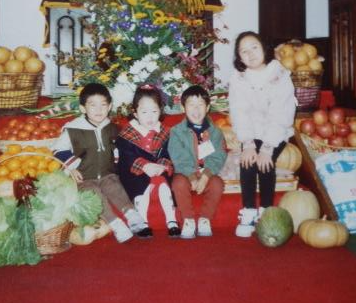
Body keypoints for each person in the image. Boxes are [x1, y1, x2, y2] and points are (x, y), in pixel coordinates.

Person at [52, 83, 149, 243]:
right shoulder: (73, 129)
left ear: (109, 106)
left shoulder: (112, 128)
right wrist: (70, 168)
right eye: (93, 105)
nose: (99, 110)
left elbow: (119, 149)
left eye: (103, 105)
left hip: (107, 173)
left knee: (115, 188)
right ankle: (115, 223)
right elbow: (57, 150)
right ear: (83, 108)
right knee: (95, 195)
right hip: (84, 177)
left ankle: (131, 214)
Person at [228, 32, 297, 238]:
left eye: (254, 47)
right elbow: (239, 112)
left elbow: (281, 114)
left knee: (265, 163)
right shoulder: (238, 78)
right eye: (244, 51)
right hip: (251, 131)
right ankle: (249, 210)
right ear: (239, 58)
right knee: (247, 161)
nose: (250, 54)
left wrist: (267, 148)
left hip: (276, 131)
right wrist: (248, 143)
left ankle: (266, 210)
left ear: (264, 48)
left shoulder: (280, 74)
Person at [116, 85, 181, 238]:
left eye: (154, 111)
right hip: (136, 173)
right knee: (141, 190)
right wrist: (144, 166)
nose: (150, 117)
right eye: (144, 112)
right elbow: (126, 156)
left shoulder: (165, 132)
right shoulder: (127, 133)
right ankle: (143, 223)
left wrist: (162, 165)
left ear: (161, 110)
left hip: (159, 170)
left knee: (165, 186)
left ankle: (172, 221)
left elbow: (168, 152)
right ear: (135, 113)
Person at [168, 85, 227, 239]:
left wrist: (206, 176)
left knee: (217, 184)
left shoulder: (215, 132)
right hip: (185, 173)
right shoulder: (176, 131)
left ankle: (205, 219)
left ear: (207, 108)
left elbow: (219, 155)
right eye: (191, 105)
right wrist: (192, 176)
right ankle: (188, 220)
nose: (196, 109)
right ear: (183, 107)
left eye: (200, 105)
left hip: (207, 172)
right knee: (178, 184)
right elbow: (178, 156)